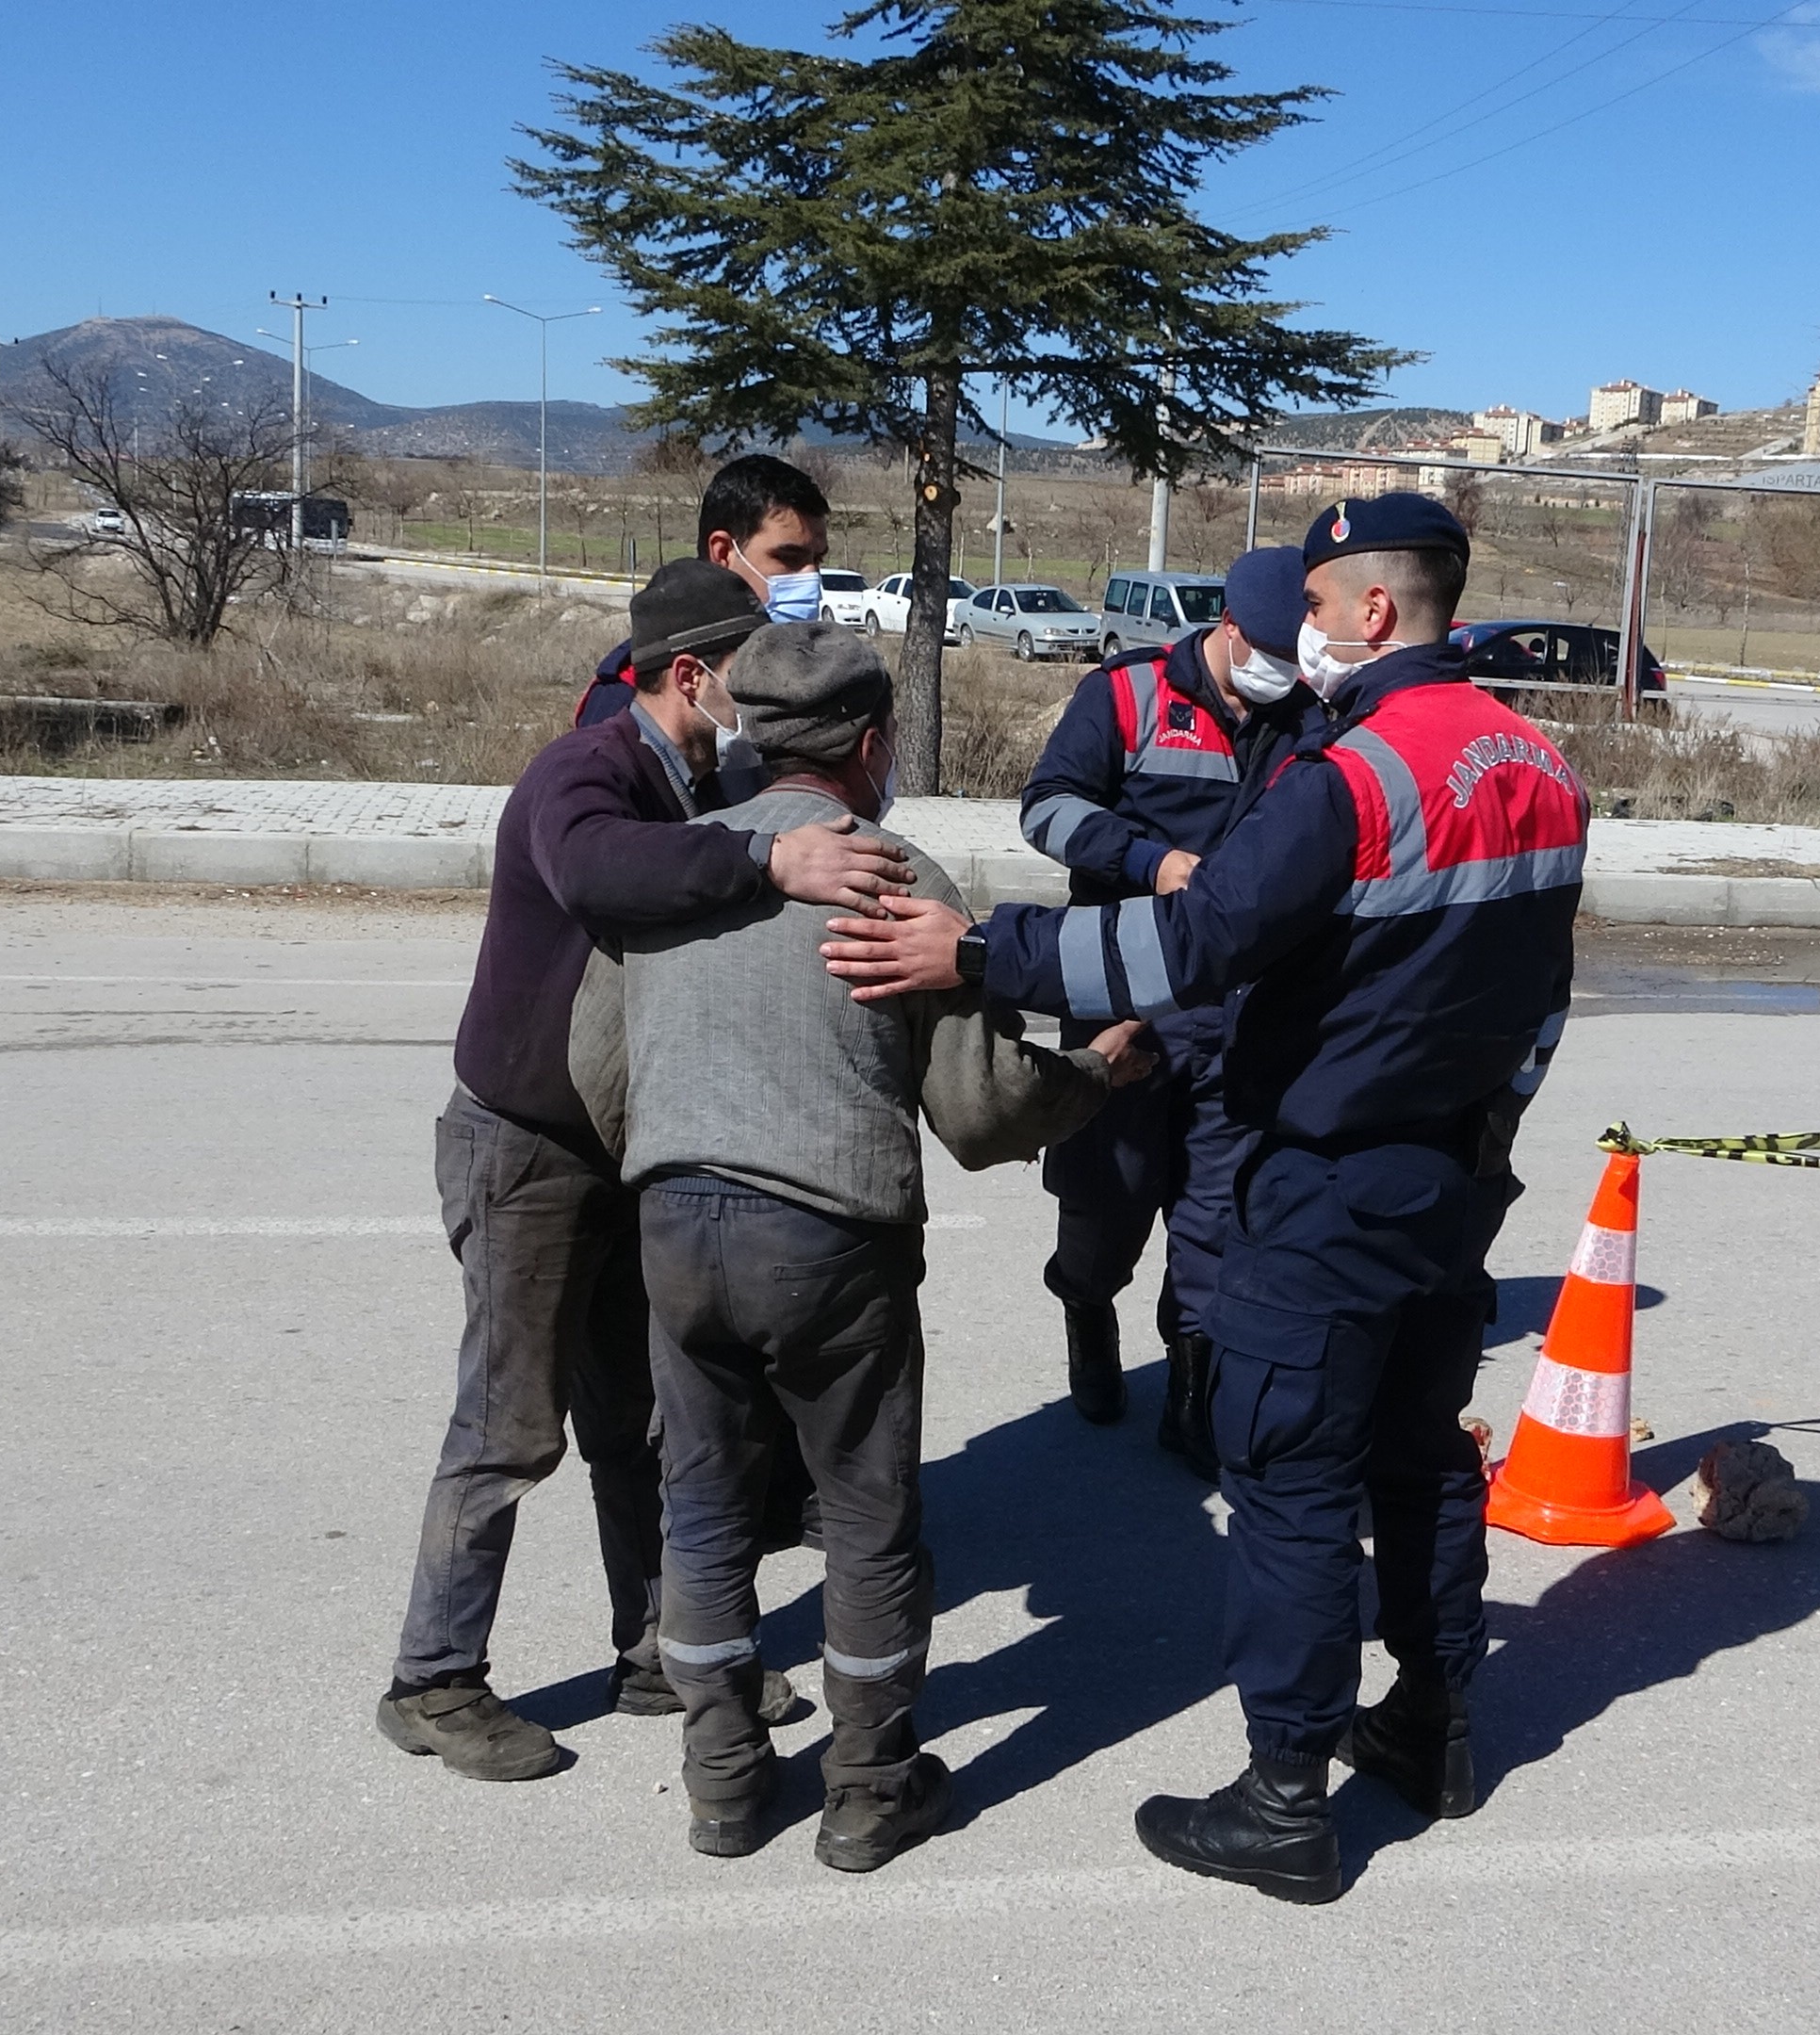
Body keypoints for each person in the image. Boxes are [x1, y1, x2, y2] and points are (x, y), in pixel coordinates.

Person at [821, 493, 1585, 1904]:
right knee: (1421, 1458)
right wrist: (1488, 1129)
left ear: (1371, 611)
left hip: (1332, 1181)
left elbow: (1194, 944)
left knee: (1292, 1480)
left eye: (1318, 606)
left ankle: (1285, 1801)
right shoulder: (1537, 758)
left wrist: (981, 955)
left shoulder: (1355, 775)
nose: (1304, 632)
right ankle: (1433, 1727)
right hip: (1454, 1177)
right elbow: (1548, 989)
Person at [568, 620, 1151, 1870]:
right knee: (866, 1512)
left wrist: (673, 1156)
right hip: (828, 1238)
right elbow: (981, 1113)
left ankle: (724, 1780)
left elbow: (596, 1067)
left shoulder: (679, 866)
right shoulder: (896, 876)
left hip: (674, 1224)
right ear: (874, 744)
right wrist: (1097, 1073)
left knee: (703, 1505)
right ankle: (870, 1787)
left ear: (750, 732)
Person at [378, 559, 911, 1784]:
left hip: (629, 1152)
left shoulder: (706, 782)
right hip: (527, 1150)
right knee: (510, 1427)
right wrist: (769, 864)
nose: (758, 699)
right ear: (690, 674)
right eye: (746, 674)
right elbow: (598, 873)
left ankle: (658, 1653)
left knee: (642, 1425)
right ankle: (433, 1680)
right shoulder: (587, 772)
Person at [1014, 545, 1321, 1454]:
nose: (1283, 672)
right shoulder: (1128, 695)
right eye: (1270, 653)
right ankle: (1085, 1303)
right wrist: (1152, 863)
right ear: (1229, 629)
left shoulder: (1310, 716)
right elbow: (1046, 808)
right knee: (1107, 1200)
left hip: (1240, 1007)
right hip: (1124, 994)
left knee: (1216, 1212)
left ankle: (1192, 1394)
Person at [575, 454, 834, 733]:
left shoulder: (811, 675)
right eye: (789, 558)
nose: (810, 578)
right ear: (723, 552)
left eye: (817, 560)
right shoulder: (635, 696)